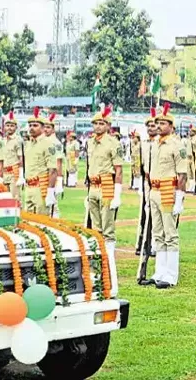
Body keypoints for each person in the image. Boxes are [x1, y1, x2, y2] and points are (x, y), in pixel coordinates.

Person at [141, 103, 187, 289]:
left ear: (171, 126)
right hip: (154, 190)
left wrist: (179, 199)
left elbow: (182, 174)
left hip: (168, 191)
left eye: (163, 123)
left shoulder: (177, 145)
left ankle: (171, 274)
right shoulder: (154, 145)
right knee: (157, 233)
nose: (158, 125)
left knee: (170, 233)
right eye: (157, 122)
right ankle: (159, 271)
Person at [85, 104, 123, 293]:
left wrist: (118, 193)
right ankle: (97, 266)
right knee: (96, 229)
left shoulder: (113, 142)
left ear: (108, 125)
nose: (98, 126)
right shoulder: (90, 142)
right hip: (93, 186)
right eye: (95, 123)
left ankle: (109, 265)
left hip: (107, 185)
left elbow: (118, 169)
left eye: (102, 123)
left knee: (108, 229)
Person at [23, 107, 57, 215]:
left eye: (35, 125)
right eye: (30, 125)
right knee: (28, 222)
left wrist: (50, 191)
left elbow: (52, 169)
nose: (32, 128)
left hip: (40, 187)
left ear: (42, 128)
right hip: (29, 186)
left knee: (42, 222)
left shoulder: (48, 144)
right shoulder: (28, 144)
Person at [135, 108, 158, 257]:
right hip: (146, 182)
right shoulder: (143, 143)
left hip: (157, 182)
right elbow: (141, 163)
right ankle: (141, 243)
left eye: (153, 126)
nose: (151, 128)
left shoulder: (160, 143)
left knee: (156, 214)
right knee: (144, 213)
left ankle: (154, 244)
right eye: (148, 126)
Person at [43, 112, 64, 217]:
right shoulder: (42, 141)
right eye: (44, 127)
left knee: (53, 204)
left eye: (48, 127)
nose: (45, 129)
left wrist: (59, 180)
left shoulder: (56, 143)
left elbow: (58, 162)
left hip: (52, 175)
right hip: (42, 175)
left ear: (53, 129)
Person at [2, 110, 25, 196]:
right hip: (4, 173)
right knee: (4, 199)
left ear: (16, 127)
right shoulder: (3, 140)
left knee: (15, 199)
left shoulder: (18, 140)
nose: (9, 128)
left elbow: (21, 158)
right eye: (7, 125)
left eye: (12, 126)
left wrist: (21, 175)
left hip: (14, 173)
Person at [186, 125, 196, 193]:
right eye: (189, 131)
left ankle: (194, 188)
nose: (190, 132)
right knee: (189, 174)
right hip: (187, 158)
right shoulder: (188, 139)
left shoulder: (195, 139)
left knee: (194, 174)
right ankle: (190, 187)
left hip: (193, 158)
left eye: (191, 131)